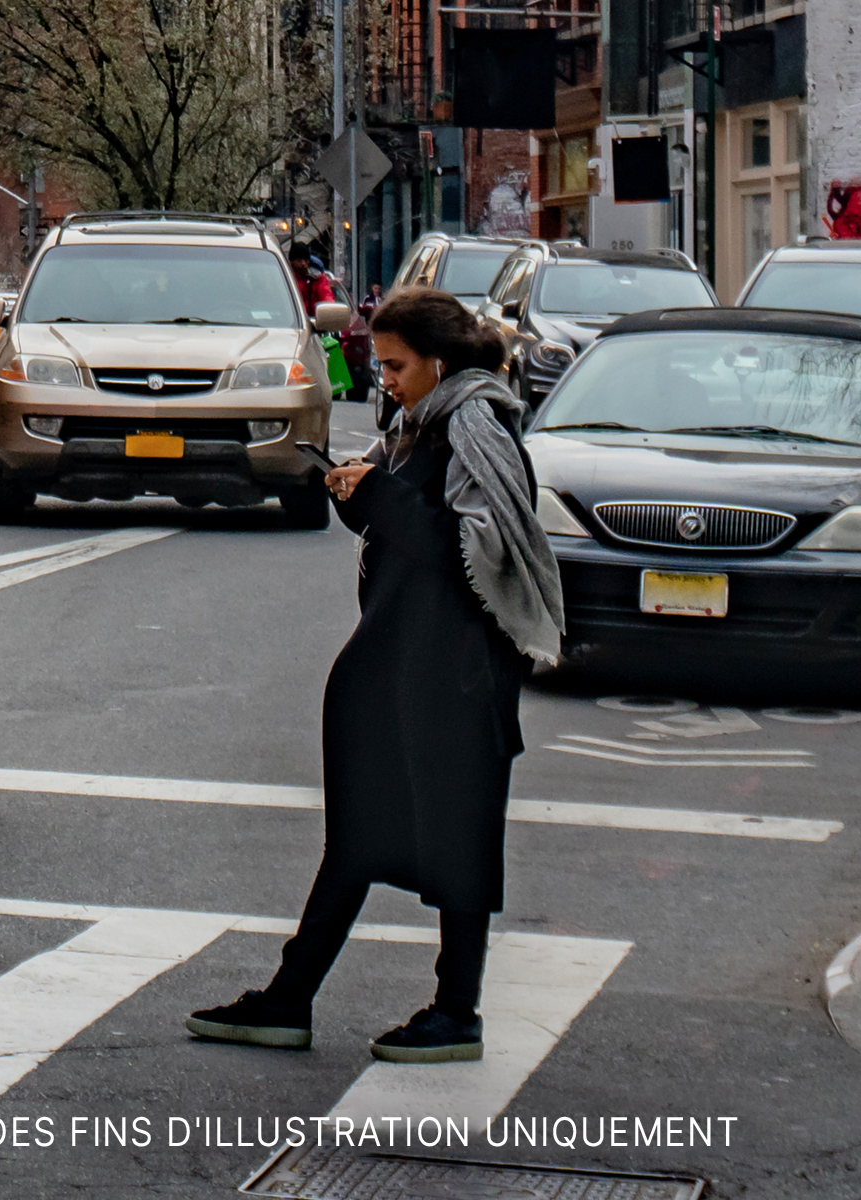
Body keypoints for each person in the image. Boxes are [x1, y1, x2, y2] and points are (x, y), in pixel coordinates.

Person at [186, 287, 566, 1064]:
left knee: (458, 844)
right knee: (357, 836)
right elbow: (407, 537)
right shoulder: (418, 426)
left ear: (437, 360)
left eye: (394, 365)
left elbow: (473, 554)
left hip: (455, 674)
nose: (383, 378)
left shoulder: (477, 428)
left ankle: (456, 1012)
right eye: (381, 364)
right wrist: (362, 498)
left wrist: (382, 497)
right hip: (396, 661)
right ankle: (289, 1000)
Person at [288, 245, 338, 315]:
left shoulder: (317, 279)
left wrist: (330, 311)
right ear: (291, 262)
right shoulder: (287, 279)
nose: (303, 263)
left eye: (305, 260)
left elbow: (326, 294)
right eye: (299, 260)